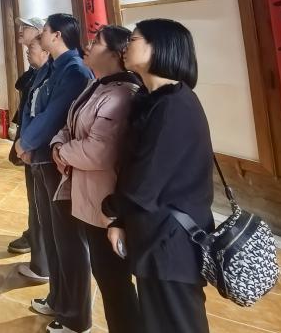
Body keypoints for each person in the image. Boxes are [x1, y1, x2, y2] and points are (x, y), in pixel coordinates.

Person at [102, 19, 213, 333]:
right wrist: (121, 220)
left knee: (176, 322)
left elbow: (145, 180)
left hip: (173, 242)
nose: (126, 46)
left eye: (134, 39)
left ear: (159, 48)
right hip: (158, 237)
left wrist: (112, 209)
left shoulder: (174, 106)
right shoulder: (156, 99)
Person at [50, 26, 142, 333]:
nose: (87, 46)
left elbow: (97, 151)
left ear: (116, 53)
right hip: (89, 196)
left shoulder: (122, 94)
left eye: (96, 42)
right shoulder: (96, 85)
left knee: (115, 282)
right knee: (106, 275)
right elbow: (69, 126)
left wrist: (62, 152)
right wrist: (59, 145)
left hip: (107, 202)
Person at [16, 13, 93, 333]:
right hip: (39, 158)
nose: (39, 37)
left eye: (43, 31)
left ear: (57, 36)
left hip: (56, 162)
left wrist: (26, 142)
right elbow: (31, 106)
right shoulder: (50, 67)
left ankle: (76, 316)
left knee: (68, 239)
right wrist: (25, 141)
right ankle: (58, 299)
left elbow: (54, 115)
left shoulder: (74, 70)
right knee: (51, 234)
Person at [8, 34, 51, 287]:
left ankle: (43, 265)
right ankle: (38, 252)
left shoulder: (56, 75)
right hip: (31, 147)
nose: (27, 50)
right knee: (35, 203)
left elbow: (45, 116)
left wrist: (26, 143)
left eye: (32, 46)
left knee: (41, 205)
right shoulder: (37, 74)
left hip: (41, 151)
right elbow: (21, 87)